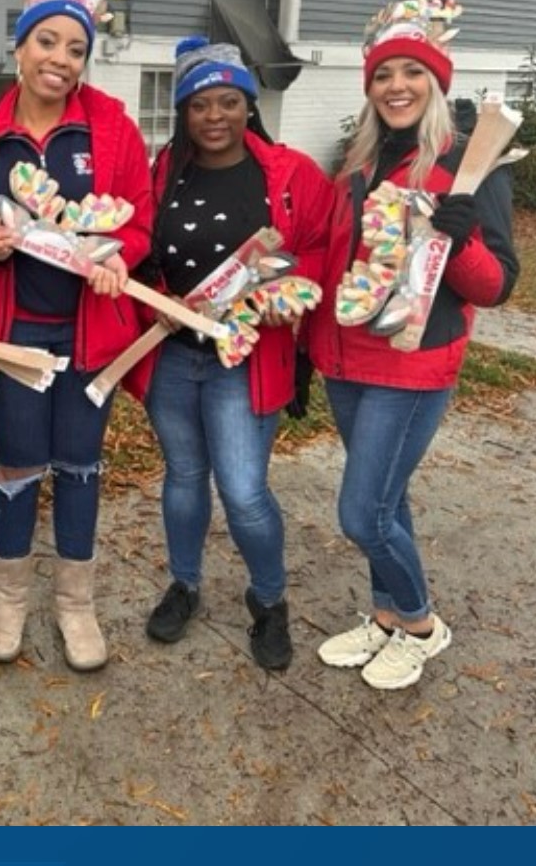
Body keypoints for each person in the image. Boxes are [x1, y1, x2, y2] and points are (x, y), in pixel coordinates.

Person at [309, 0, 519, 690]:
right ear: (369, 87)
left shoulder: (467, 164)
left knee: (361, 512)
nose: (396, 85)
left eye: (412, 72)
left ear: (436, 81)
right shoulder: (357, 162)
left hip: (412, 362)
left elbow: (493, 287)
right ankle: (387, 614)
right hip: (345, 360)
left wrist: (456, 238)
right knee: (387, 504)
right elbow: (338, 264)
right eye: (382, 74)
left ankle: (424, 624)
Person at [0, 0, 154, 673]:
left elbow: (139, 221)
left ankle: (76, 603)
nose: (61, 60)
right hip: (14, 332)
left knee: (79, 464)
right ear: (20, 47)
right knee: (17, 462)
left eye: (76, 49)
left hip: (88, 331)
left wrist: (120, 255)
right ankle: (8, 597)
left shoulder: (111, 131)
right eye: (49, 43)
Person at [132, 37, 332, 671]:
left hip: (244, 358)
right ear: (184, 112)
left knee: (244, 491)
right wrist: (154, 302)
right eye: (198, 105)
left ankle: (269, 601)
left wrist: (292, 288)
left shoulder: (291, 174)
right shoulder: (163, 170)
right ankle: (185, 584)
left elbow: (326, 246)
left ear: (249, 105)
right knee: (184, 477)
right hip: (172, 355)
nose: (213, 117)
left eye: (227, 102)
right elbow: (138, 251)